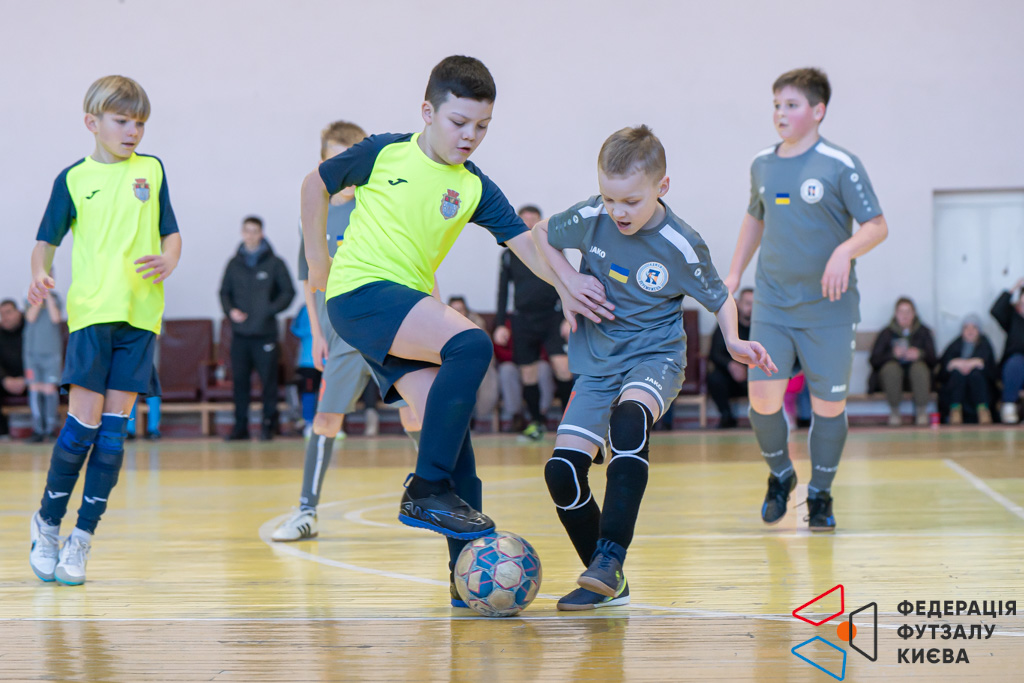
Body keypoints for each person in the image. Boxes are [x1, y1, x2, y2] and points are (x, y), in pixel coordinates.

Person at [299, 56, 601, 606]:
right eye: (459, 122)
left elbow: (528, 245)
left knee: (454, 440)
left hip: (403, 307)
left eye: (482, 126)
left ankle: (465, 578)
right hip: (360, 292)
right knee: (471, 343)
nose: (470, 136)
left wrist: (568, 283)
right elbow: (313, 184)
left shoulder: (474, 186)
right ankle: (425, 488)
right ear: (428, 112)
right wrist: (318, 261)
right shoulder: (384, 152)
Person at [532, 126, 775, 610]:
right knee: (561, 473)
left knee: (629, 421)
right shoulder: (592, 216)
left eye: (630, 201)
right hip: (597, 365)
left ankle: (610, 555)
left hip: (654, 357)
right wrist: (568, 281)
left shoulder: (680, 243)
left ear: (662, 187)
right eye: (609, 199)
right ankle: (607, 582)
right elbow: (541, 234)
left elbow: (720, 297)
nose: (617, 211)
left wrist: (732, 339)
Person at [28, 75, 181, 585]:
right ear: (92, 123)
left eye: (140, 123)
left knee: (113, 440)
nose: (133, 131)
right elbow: (45, 242)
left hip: (141, 319)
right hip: (93, 316)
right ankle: (47, 523)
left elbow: (171, 233)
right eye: (122, 121)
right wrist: (39, 273)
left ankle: (82, 539)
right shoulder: (72, 179)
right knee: (82, 431)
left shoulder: (152, 170)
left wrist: (170, 259)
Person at [723, 67, 889, 532]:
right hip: (774, 305)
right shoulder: (762, 163)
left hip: (828, 309)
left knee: (828, 407)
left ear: (818, 111)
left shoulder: (840, 163)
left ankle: (820, 493)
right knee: (762, 402)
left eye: (791, 105)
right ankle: (781, 475)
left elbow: (876, 225)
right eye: (776, 105)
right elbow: (754, 218)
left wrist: (844, 250)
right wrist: (734, 273)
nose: (780, 113)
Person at [273, 121, 378, 542]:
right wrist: (317, 335)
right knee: (326, 419)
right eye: (336, 161)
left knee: (417, 413)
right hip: (339, 334)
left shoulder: (377, 205)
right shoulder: (312, 213)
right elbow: (309, 279)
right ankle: (307, 511)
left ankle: (444, 499)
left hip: (387, 325)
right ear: (323, 164)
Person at [493, 206, 574, 441]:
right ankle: (536, 423)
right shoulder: (509, 254)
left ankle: (570, 423)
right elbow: (502, 291)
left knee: (563, 367)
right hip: (522, 319)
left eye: (533, 220)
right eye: (524, 220)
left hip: (552, 317)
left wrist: (567, 317)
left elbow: (566, 281)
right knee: (528, 373)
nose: (528, 224)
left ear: (540, 222)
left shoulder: (553, 248)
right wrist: (500, 324)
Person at [219, 215, 295, 441]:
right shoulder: (234, 264)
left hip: (265, 334)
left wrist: (269, 309)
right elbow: (224, 293)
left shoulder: (275, 263)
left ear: (261, 233)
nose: (250, 235)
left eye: (254, 231)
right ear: (242, 233)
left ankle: (268, 425)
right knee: (240, 383)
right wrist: (230, 311)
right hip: (240, 335)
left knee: (268, 383)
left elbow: (288, 292)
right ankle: (240, 427)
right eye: (247, 231)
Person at [868, 297, 937, 426]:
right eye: (901, 312)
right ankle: (895, 412)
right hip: (891, 382)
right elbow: (874, 360)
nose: (905, 316)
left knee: (919, 368)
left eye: (908, 312)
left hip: (917, 381)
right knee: (891, 368)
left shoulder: (924, 332)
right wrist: (892, 355)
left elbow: (934, 360)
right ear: (896, 314)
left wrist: (919, 354)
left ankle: (921, 412)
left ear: (914, 313)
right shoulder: (886, 333)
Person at [447, 295, 500, 430]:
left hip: (477, 364)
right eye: (454, 310)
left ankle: (476, 415)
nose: (458, 313)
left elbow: (486, 350)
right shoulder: (442, 325)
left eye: (460, 309)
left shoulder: (477, 324)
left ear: (466, 311)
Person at [935, 314, 996, 425]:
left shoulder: (984, 343)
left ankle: (983, 411)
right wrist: (956, 364)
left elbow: (990, 367)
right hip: (958, 384)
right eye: (966, 327)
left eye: (974, 327)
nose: (970, 331)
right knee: (957, 375)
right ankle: (955, 411)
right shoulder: (955, 344)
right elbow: (944, 367)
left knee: (976, 374)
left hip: (979, 384)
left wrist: (969, 364)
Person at [707, 288, 753, 428]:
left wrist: (748, 369)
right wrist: (731, 365)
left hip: (753, 375)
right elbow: (714, 353)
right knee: (714, 377)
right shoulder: (727, 324)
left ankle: (762, 418)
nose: (751, 308)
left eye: (755, 304)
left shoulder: (763, 327)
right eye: (748, 303)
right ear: (738, 303)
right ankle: (726, 416)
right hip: (729, 377)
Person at [990, 278, 1024, 424]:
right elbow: (996, 310)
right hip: (1015, 363)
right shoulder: (1012, 317)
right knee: (1015, 364)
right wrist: (1014, 288)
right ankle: (1009, 406)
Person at [289, 304, 321, 439]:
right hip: (308, 360)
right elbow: (296, 329)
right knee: (309, 391)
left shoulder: (335, 303)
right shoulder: (306, 308)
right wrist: (315, 331)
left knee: (330, 392)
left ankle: (332, 424)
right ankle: (308, 422)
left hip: (330, 360)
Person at [0, 299, 28, 440]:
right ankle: (2, 433)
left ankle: (44, 432)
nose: (5, 317)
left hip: (31, 378)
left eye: (8, 312)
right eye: (1, 314)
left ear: (18, 312)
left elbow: (39, 357)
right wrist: (4, 379)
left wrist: (26, 379)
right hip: (6, 381)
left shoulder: (31, 328)